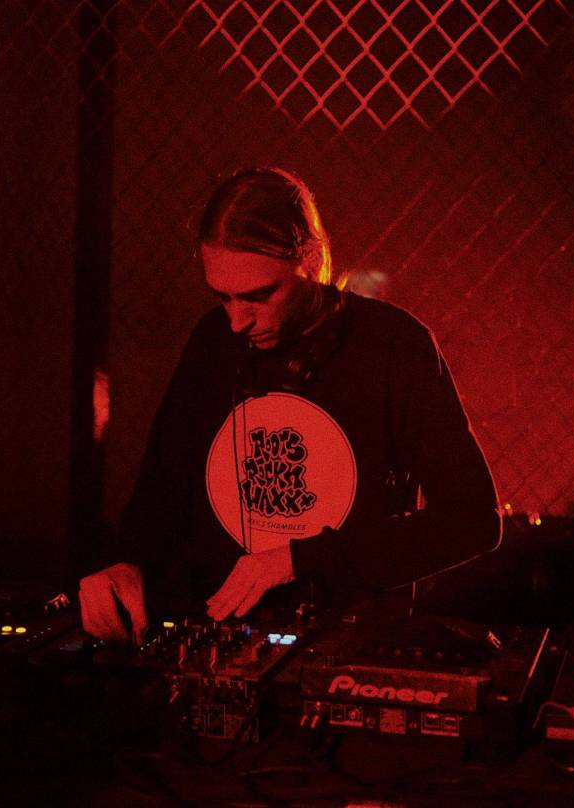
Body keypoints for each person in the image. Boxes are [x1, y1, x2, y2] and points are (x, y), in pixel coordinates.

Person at [79, 167, 500, 643]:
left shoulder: (394, 346)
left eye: (259, 296)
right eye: (222, 297)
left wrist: (295, 560)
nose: (237, 321)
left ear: (312, 260)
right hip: (218, 634)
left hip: (348, 642)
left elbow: (472, 520)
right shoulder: (213, 342)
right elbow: (162, 490)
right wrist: (126, 561)